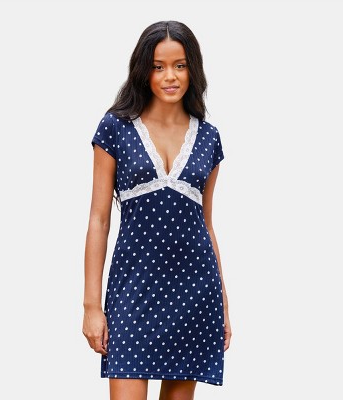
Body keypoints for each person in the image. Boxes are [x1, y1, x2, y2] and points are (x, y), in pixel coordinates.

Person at [82, 20, 232, 400]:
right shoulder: (115, 128)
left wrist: (224, 306)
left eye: (180, 65)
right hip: (133, 291)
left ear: (192, 69)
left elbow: (206, 226)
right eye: (158, 66)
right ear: (143, 70)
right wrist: (91, 306)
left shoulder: (209, 138)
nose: (170, 76)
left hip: (195, 294)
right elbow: (99, 219)